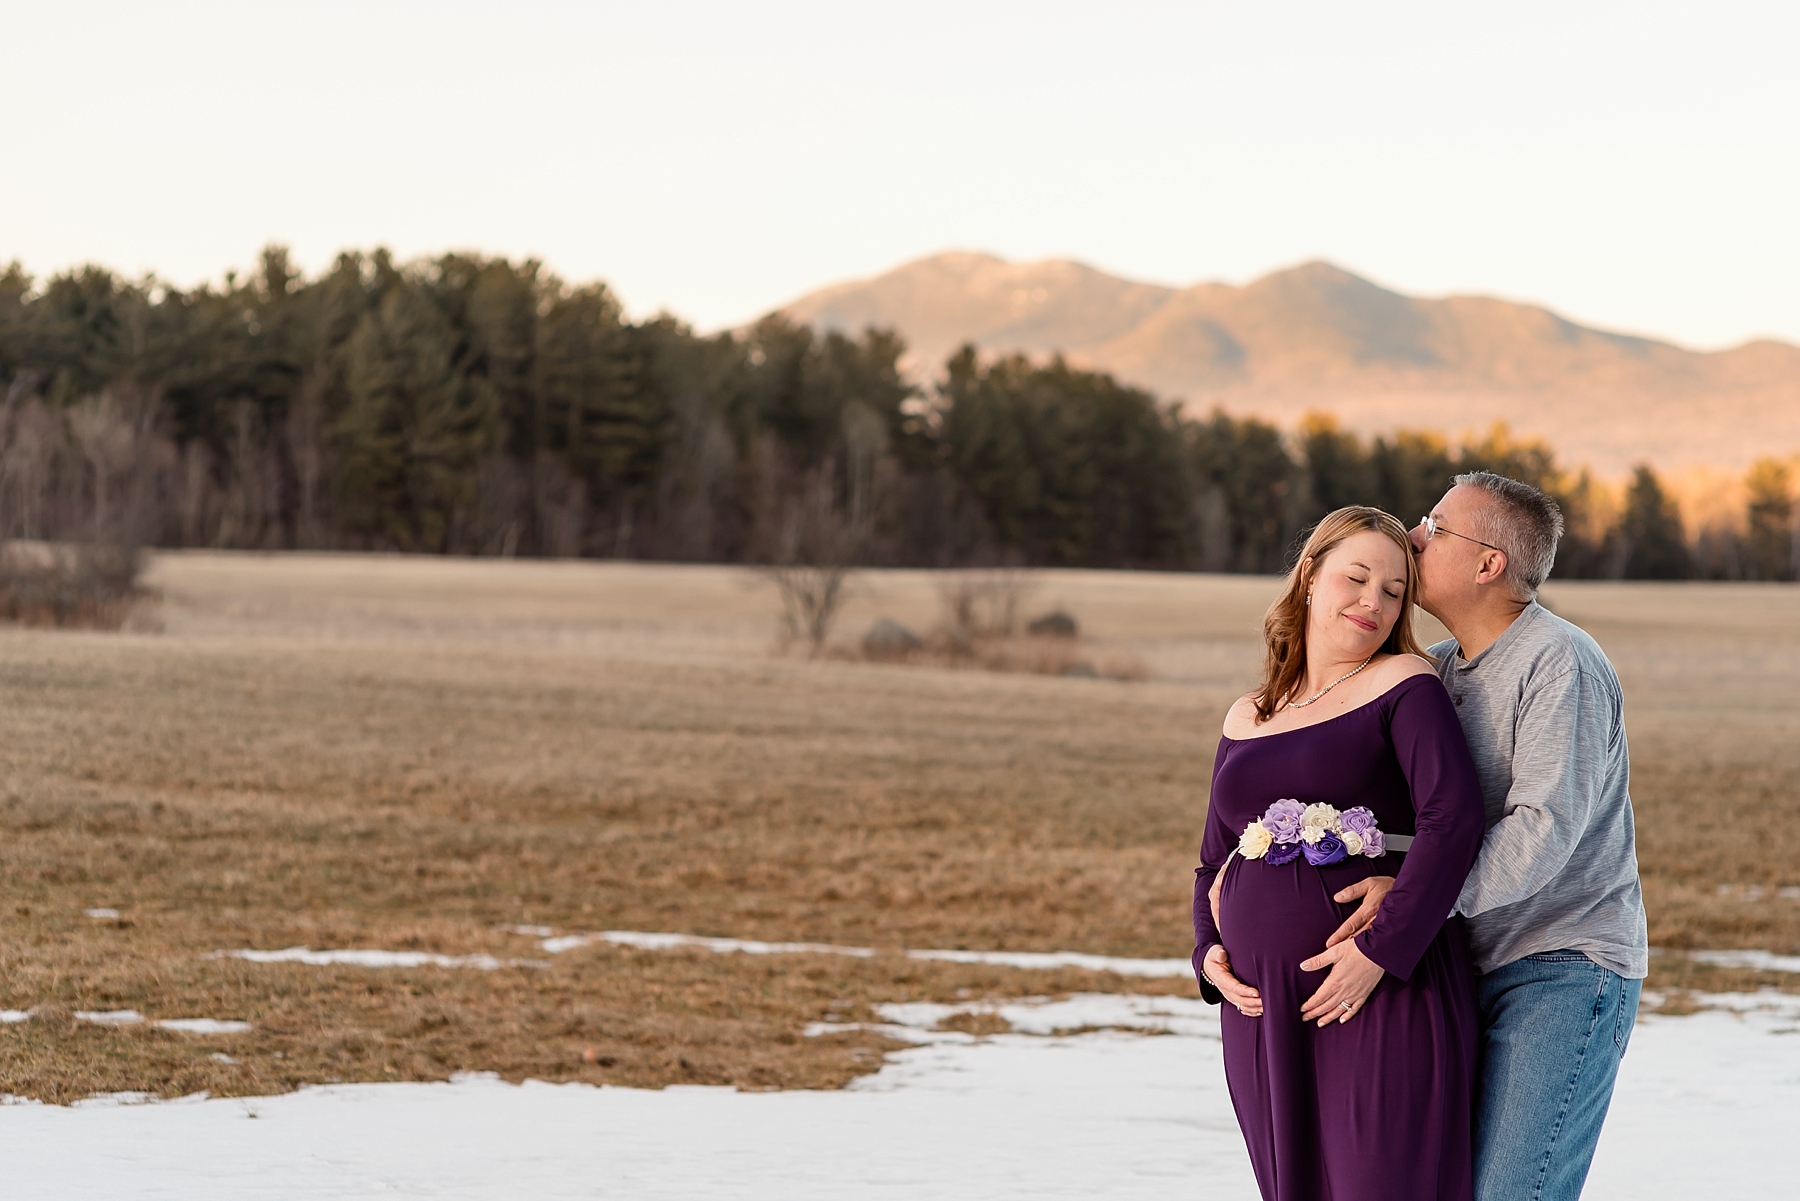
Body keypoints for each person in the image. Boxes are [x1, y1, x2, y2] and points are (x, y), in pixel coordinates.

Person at [1327, 473, 1649, 1201]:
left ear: (1488, 562)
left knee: (1512, 1191)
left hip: (1562, 965)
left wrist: (1412, 898)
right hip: (1457, 963)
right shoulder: (1434, 670)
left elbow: (1543, 830)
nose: (1412, 537)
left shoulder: (1558, 660)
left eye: (1435, 526)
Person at [1191, 506, 1487, 1201]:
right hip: (1263, 1013)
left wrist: (1381, 951)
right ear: (1309, 577)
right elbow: (1212, 862)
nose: (1373, 602)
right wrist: (1207, 954)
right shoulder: (1248, 713)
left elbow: (1454, 817)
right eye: (1356, 578)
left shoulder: (1405, 684)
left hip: (1380, 992)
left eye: (1393, 590)